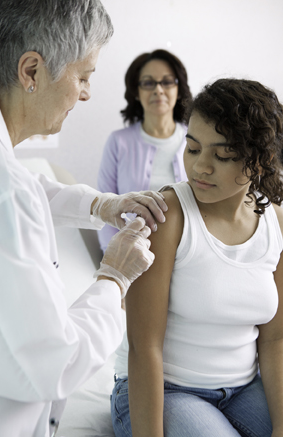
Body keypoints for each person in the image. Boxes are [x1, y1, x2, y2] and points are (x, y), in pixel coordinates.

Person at [0, 1, 169, 436]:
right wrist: (114, 278)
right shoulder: (3, 189)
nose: (86, 94)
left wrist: (99, 205)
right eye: (83, 76)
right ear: (31, 72)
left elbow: (27, 191)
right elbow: (54, 363)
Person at [111, 78, 283, 437]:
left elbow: (275, 340)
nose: (200, 167)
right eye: (192, 149)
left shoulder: (276, 223)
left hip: (244, 390)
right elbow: (144, 347)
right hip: (166, 392)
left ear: (260, 162)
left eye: (221, 156)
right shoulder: (168, 213)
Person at [97, 49, 192, 252]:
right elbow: (104, 206)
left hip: (188, 253)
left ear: (179, 88)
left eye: (166, 82)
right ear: (136, 92)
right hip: (130, 256)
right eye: (149, 83)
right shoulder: (118, 142)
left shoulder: (194, 140)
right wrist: (112, 255)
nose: (158, 90)